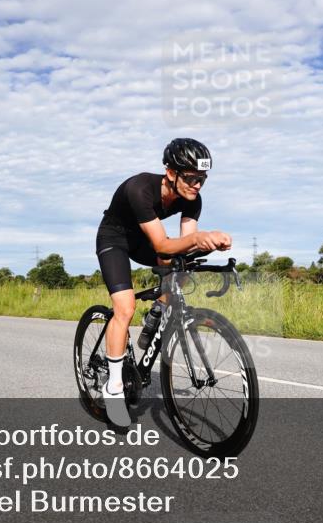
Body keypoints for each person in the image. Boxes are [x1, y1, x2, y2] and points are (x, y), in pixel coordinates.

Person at [95, 138, 232, 427]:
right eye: (192, 178)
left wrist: (209, 243)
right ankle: (114, 388)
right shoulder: (140, 189)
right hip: (114, 239)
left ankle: (159, 308)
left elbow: (184, 245)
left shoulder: (193, 199)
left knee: (183, 266)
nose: (197, 185)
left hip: (143, 241)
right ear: (171, 173)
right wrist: (195, 239)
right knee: (125, 308)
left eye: (202, 180)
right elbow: (161, 243)